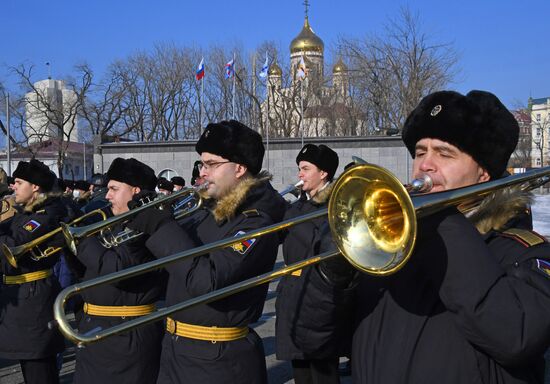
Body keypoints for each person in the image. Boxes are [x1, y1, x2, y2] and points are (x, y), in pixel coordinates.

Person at [319, 90, 550, 383]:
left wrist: (440, 217)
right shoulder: (390, 246)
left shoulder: (528, 251)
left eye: (444, 153)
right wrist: (331, 280)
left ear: (483, 173)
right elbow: (315, 340)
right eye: (420, 152)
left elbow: (518, 336)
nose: (425, 165)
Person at [128, 120, 287, 384]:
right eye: (202, 164)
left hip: (217, 360)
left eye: (212, 164)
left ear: (239, 168)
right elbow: (165, 266)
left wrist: (162, 227)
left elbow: (207, 280)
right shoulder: (205, 210)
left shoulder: (256, 222)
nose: (203, 173)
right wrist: (143, 224)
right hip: (176, 350)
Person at [71, 157, 165, 384]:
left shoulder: (146, 226)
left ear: (135, 190)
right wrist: (67, 249)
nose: (107, 195)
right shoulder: (113, 222)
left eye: (113, 189)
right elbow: (87, 272)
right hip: (95, 330)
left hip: (126, 336)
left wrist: (81, 241)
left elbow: (115, 271)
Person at [276, 144, 352, 384]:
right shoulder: (296, 206)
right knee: (301, 372)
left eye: (306, 168)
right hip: (293, 296)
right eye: (299, 168)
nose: (300, 174)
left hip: (321, 299)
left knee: (323, 375)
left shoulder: (337, 206)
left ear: (323, 173)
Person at [0, 159, 77, 384]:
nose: (13, 186)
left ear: (35, 187)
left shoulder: (45, 215)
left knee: (39, 370)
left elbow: (12, 246)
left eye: (19, 182)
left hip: (33, 301)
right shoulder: (25, 213)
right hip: (24, 299)